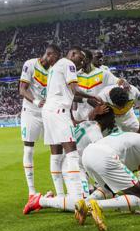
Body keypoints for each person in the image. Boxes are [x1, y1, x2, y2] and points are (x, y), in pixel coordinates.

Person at [41, 46, 102, 208]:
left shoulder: (55, 68)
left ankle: (61, 195)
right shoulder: (68, 64)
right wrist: (92, 96)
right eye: (80, 59)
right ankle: (77, 197)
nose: (82, 63)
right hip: (59, 111)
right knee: (72, 154)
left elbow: (70, 94)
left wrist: (86, 99)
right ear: (73, 54)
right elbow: (74, 90)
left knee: (55, 155)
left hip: (48, 111)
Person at [19, 45, 61, 196]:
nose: (56, 61)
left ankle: (60, 192)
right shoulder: (30, 64)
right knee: (29, 149)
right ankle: (31, 191)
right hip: (31, 111)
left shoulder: (54, 70)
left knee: (56, 150)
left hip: (48, 112)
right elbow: (22, 89)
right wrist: (36, 102)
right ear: (49, 54)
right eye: (55, 58)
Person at [107, 85, 140, 200]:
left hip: (130, 120)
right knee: (114, 151)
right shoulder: (103, 94)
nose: (121, 109)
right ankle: (113, 187)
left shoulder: (133, 90)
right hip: (113, 121)